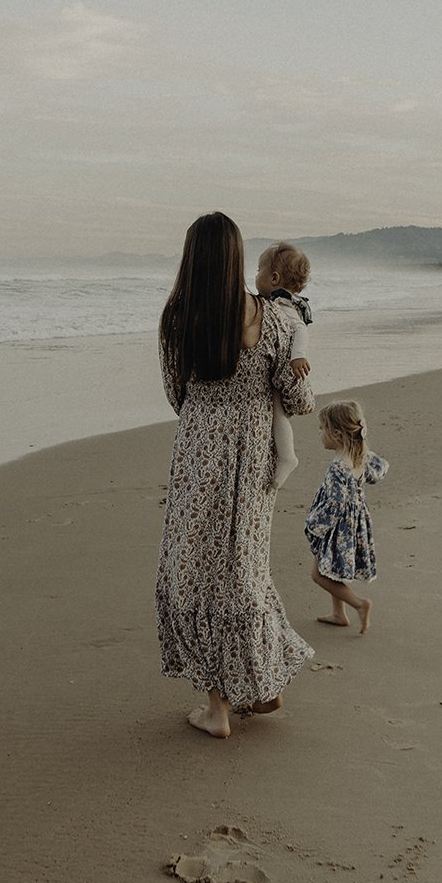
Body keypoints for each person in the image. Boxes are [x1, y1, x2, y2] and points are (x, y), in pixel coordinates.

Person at [156, 212, 315, 739]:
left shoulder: (178, 317)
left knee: (195, 575)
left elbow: (175, 391)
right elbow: (295, 401)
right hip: (254, 459)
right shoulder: (274, 320)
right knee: (244, 570)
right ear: (239, 258)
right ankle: (264, 686)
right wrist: (294, 380)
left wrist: (209, 416)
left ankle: (218, 709)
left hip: (200, 453)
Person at [305, 401, 388, 636]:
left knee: (319, 574)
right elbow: (376, 472)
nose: (320, 434)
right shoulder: (360, 456)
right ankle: (338, 614)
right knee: (335, 568)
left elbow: (335, 504)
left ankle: (359, 604)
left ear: (337, 434)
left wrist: (314, 525)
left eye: (322, 428)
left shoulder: (337, 467)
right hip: (355, 522)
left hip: (337, 527)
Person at [254, 242, 312, 488]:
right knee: (277, 415)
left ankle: (288, 456)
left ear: (274, 278)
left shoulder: (282, 305)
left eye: (259, 270)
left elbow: (299, 328)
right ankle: (286, 456)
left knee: (278, 415)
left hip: (286, 367)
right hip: (279, 365)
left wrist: (297, 355)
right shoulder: (276, 301)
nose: (255, 275)